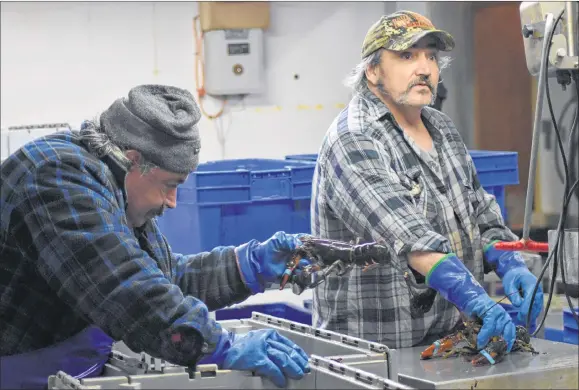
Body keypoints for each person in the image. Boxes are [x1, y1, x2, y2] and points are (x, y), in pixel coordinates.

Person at [0, 85, 311, 389]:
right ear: (133, 160)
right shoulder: (57, 176)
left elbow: (162, 278)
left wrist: (248, 265)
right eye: (169, 184)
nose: (173, 201)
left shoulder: (114, 185)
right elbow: (124, 288)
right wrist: (221, 345)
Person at [310, 11, 543, 352]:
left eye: (430, 56)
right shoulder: (353, 139)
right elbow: (409, 239)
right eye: (406, 56)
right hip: (375, 355)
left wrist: (509, 263)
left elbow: (481, 215)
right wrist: (475, 298)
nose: (424, 68)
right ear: (373, 70)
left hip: (449, 344)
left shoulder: (442, 129)